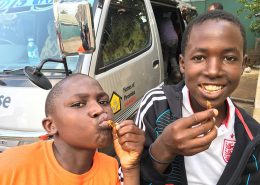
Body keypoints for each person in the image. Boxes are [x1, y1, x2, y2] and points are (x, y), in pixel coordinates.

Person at [135, 10, 260, 185]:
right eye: (199, 57)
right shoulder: (156, 106)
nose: (213, 71)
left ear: (243, 64)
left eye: (229, 58)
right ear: (183, 64)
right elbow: (129, 175)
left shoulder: (252, 136)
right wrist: (163, 149)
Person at [0, 74, 145, 185]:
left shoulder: (110, 167)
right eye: (78, 104)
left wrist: (130, 169)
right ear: (51, 126)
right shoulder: (11, 166)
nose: (99, 109)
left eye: (103, 102)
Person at [158, 11, 182, 83]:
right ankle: (177, 73)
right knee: (172, 57)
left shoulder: (157, 21)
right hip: (175, 39)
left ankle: (164, 77)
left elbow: (158, 34)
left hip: (166, 40)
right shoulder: (168, 19)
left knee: (165, 58)